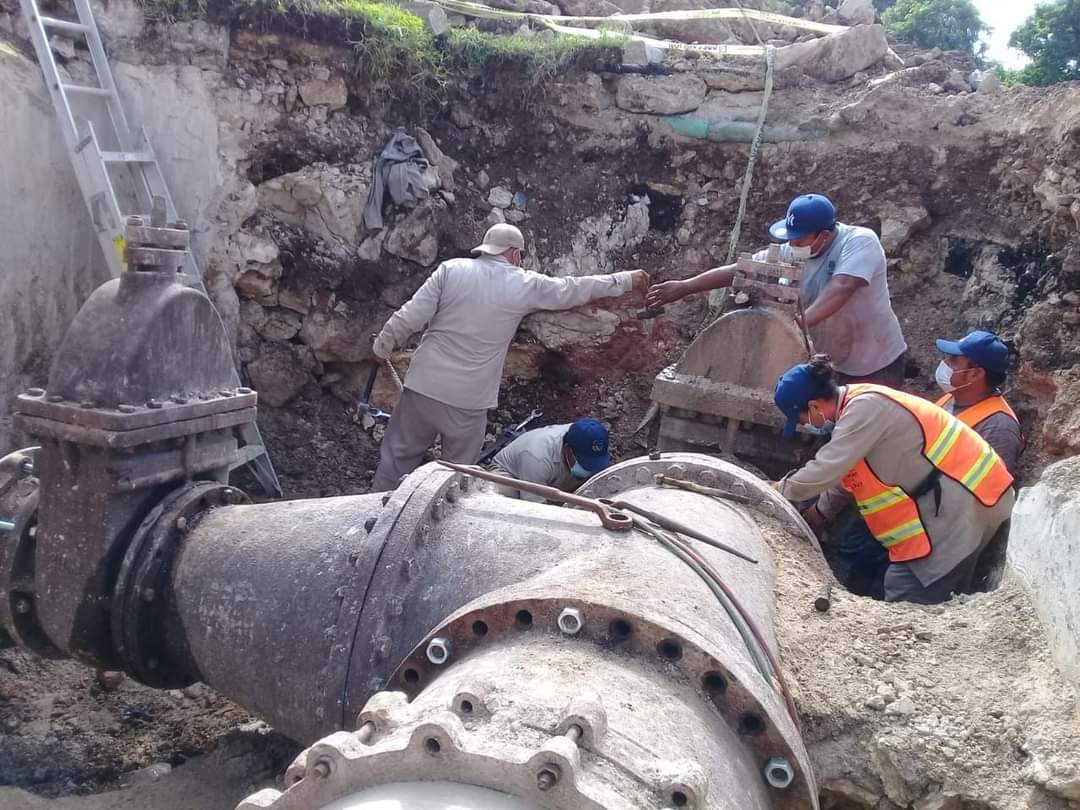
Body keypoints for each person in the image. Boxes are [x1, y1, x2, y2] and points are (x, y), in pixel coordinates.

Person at [370, 224, 648, 491]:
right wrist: (624, 280)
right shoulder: (522, 283)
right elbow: (571, 289)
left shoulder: (451, 269)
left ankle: (371, 517)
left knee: (396, 460)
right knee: (454, 478)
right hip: (468, 403)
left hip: (423, 388)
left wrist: (383, 344)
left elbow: (411, 315)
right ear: (514, 254)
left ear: (486, 249)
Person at [772, 356, 1015, 605]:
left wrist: (777, 491)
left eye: (803, 421)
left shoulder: (864, 408)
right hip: (956, 497)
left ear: (814, 407)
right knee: (903, 584)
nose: (807, 426)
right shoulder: (856, 407)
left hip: (966, 500)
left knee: (908, 591)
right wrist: (818, 515)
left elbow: (826, 468)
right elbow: (848, 474)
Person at [647, 193, 908, 387]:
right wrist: (685, 286)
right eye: (790, 237)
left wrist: (793, 327)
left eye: (800, 238)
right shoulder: (790, 250)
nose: (792, 244)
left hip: (874, 362)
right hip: (827, 361)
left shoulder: (859, 241)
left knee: (868, 434)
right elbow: (741, 270)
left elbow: (842, 286)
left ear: (825, 236)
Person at [933, 329, 1023, 476]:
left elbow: (991, 488)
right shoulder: (951, 397)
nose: (945, 364)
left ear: (976, 374)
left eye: (954, 359)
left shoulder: (998, 428)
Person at [490, 418, 611, 501]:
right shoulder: (537, 456)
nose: (588, 468)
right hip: (512, 474)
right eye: (584, 462)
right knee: (504, 497)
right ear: (567, 449)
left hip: (555, 474)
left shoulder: (587, 437)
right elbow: (535, 508)